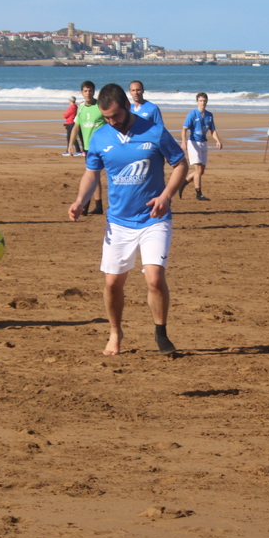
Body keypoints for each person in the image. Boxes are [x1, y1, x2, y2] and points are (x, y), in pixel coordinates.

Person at [68, 83, 188, 356]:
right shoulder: (100, 137)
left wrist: (166, 196)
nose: (112, 122)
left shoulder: (154, 131)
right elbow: (91, 173)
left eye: (115, 116)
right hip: (118, 223)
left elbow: (181, 164)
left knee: (154, 278)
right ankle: (115, 332)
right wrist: (80, 200)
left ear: (126, 106)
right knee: (113, 283)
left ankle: (160, 332)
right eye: (106, 117)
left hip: (154, 218)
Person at [68, 81, 105, 215]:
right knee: (93, 175)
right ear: (81, 93)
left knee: (100, 174)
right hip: (88, 148)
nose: (88, 93)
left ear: (94, 92)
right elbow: (76, 127)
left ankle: (91, 206)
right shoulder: (81, 108)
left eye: (90, 91)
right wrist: (70, 145)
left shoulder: (101, 106)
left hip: (103, 147)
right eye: (85, 91)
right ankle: (93, 206)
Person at [180, 92, 224, 201]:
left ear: (207, 102)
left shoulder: (209, 115)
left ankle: (183, 183)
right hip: (193, 142)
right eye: (200, 101)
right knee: (198, 170)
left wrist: (218, 140)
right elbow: (184, 129)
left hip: (204, 143)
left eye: (204, 101)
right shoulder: (192, 114)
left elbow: (212, 130)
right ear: (197, 102)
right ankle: (198, 194)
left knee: (201, 171)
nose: (202, 103)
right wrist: (184, 142)